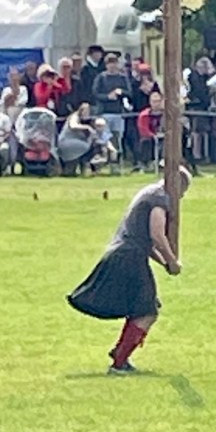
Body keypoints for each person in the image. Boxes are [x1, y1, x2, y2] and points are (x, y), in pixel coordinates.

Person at [67, 170, 189, 374]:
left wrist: (165, 264)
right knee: (146, 311)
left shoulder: (149, 192)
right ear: (178, 185)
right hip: (128, 257)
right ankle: (120, 361)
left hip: (124, 254)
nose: (181, 197)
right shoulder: (159, 198)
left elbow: (147, 242)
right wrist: (172, 261)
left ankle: (120, 354)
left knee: (142, 307)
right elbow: (157, 235)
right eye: (183, 191)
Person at [58, 103, 98, 175]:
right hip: (65, 142)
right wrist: (87, 127)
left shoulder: (85, 120)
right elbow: (73, 125)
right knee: (86, 146)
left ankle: (81, 169)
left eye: (88, 111)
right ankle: (83, 168)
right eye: (85, 111)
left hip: (73, 142)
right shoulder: (74, 116)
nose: (86, 113)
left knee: (91, 145)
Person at [137, 91, 165, 170]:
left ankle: (164, 161)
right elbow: (143, 129)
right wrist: (154, 135)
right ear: (150, 102)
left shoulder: (167, 114)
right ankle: (147, 163)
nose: (156, 103)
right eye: (154, 101)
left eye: (158, 101)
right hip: (150, 137)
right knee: (146, 142)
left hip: (165, 136)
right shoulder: (144, 115)